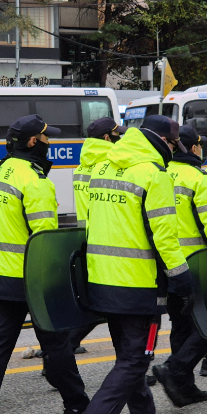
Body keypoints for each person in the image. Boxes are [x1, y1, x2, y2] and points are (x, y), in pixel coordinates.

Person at [75, 115, 192, 414]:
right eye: (171, 143)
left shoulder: (101, 168)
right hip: (138, 285)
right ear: (160, 141)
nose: (172, 149)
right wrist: (182, 276)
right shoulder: (155, 175)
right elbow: (164, 236)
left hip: (101, 279)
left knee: (131, 363)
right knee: (133, 362)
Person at [0, 115, 89, 414]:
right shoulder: (35, 182)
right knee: (56, 344)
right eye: (46, 138)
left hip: (0, 274)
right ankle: (77, 405)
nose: (49, 143)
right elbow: (44, 240)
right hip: (31, 278)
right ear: (33, 142)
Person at [153, 125, 207, 408]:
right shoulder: (199, 178)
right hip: (196, 264)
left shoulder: (160, 174)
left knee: (180, 323)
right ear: (193, 148)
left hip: (166, 262)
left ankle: (183, 385)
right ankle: (176, 369)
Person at [70, 117, 126, 353]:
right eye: (117, 135)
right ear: (106, 138)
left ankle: (64, 347)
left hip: (86, 237)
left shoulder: (82, 165)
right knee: (111, 304)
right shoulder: (110, 165)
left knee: (96, 300)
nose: (120, 139)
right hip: (107, 238)